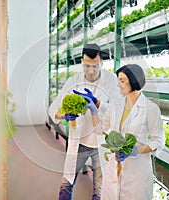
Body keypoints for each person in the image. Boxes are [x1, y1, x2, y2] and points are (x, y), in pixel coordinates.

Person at [48, 43, 122, 200]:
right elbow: (53, 108)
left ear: (101, 63)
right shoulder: (73, 80)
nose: (91, 71)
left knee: (100, 190)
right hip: (79, 142)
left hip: (102, 143)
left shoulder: (111, 81)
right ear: (81, 62)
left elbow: (118, 110)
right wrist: (63, 115)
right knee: (66, 184)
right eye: (87, 66)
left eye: (95, 66)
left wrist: (97, 104)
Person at [81, 64, 165, 200]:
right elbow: (99, 129)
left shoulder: (150, 108)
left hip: (136, 169)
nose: (118, 85)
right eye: (118, 80)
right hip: (114, 168)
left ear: (134, 81)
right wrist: (94, 112)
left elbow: (159, 140)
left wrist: (135, 150)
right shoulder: (116, 105)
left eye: (122, 81)